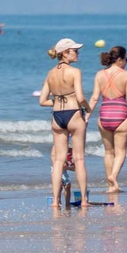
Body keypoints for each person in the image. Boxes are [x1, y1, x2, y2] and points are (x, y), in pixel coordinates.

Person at [39, 39, 89, 207]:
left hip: (57, 116)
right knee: (79, 158)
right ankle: (84, 200)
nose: (78, 53)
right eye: (75, 50)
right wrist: (88, 109)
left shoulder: (50, 73)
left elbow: (42, 100)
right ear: (65, 52)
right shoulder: (75, 71)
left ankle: (55, 201)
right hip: (74, 113)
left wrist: (58, 102)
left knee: (58, 161)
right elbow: (81, 98)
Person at [88, 47, 127, 195]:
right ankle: (113, 176)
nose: (126, 63)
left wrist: (86, 116)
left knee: (108, 152)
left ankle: (110, 186)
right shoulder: (126, 75)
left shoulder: (99, 74)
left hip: (104, 114)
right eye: (126, 60)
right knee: (121, 152)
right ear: (120, 60)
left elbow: (94, 98)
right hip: (120, 115)